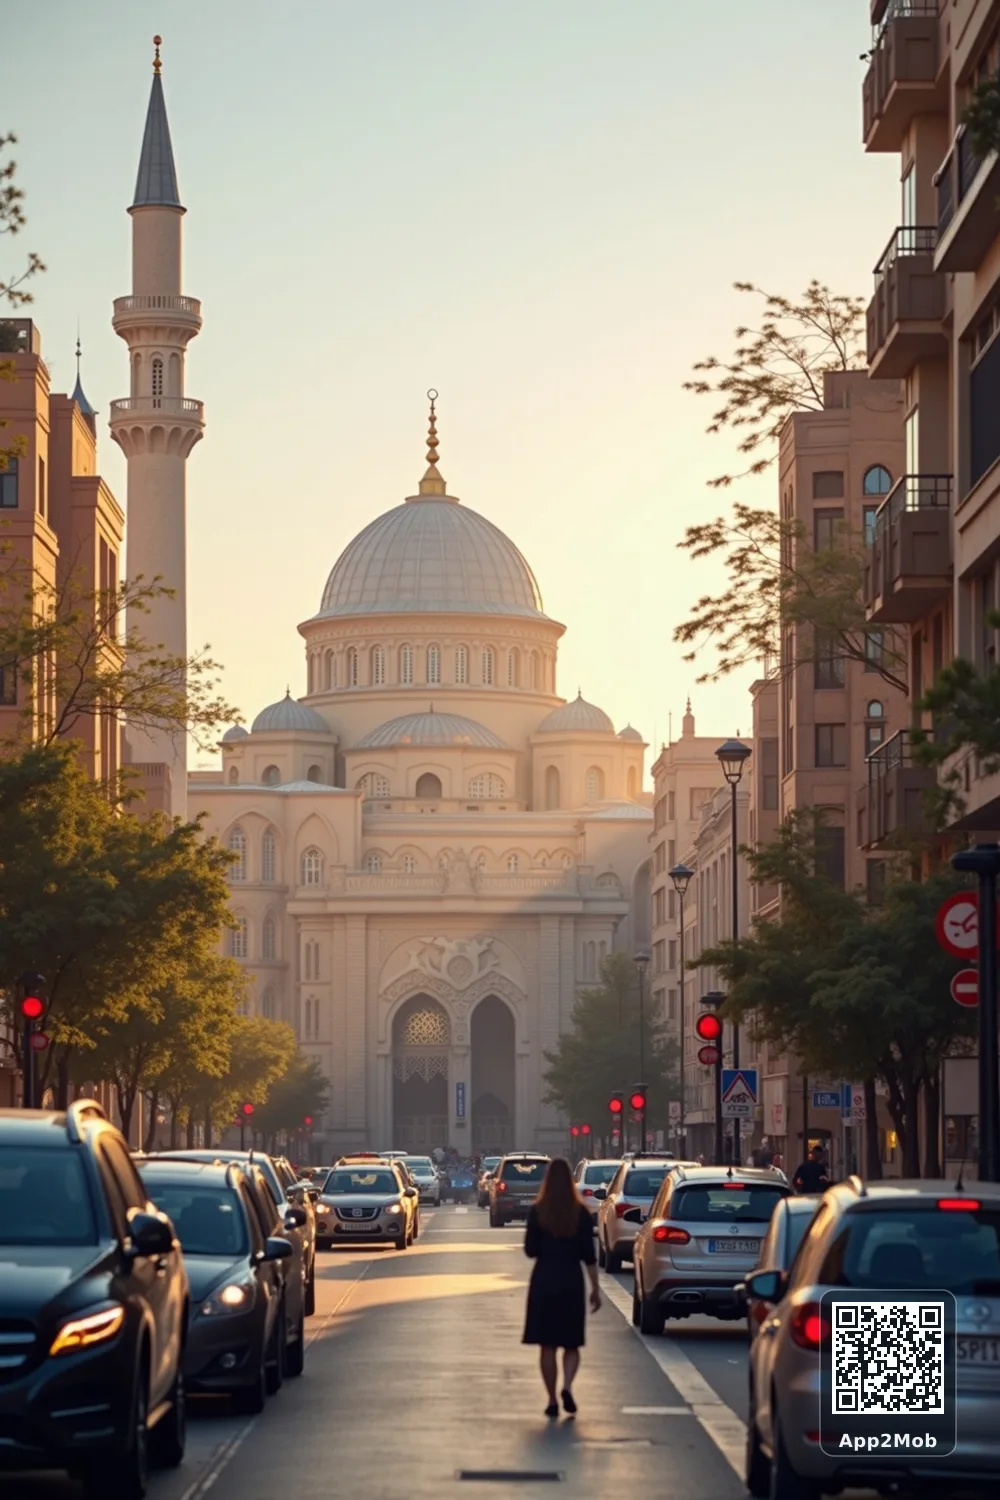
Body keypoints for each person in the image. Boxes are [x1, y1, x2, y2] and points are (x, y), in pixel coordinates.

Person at [522, 1157, 601, 1419]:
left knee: (547, 1346)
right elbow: (589, 1256)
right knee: (571, 1344)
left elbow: (530, 1250)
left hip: (544, 1280)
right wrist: (595, 1289)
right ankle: (567, 1385)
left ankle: (552, 1399)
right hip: (570, 1281)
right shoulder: (580, 1213)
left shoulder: (538, 1210)